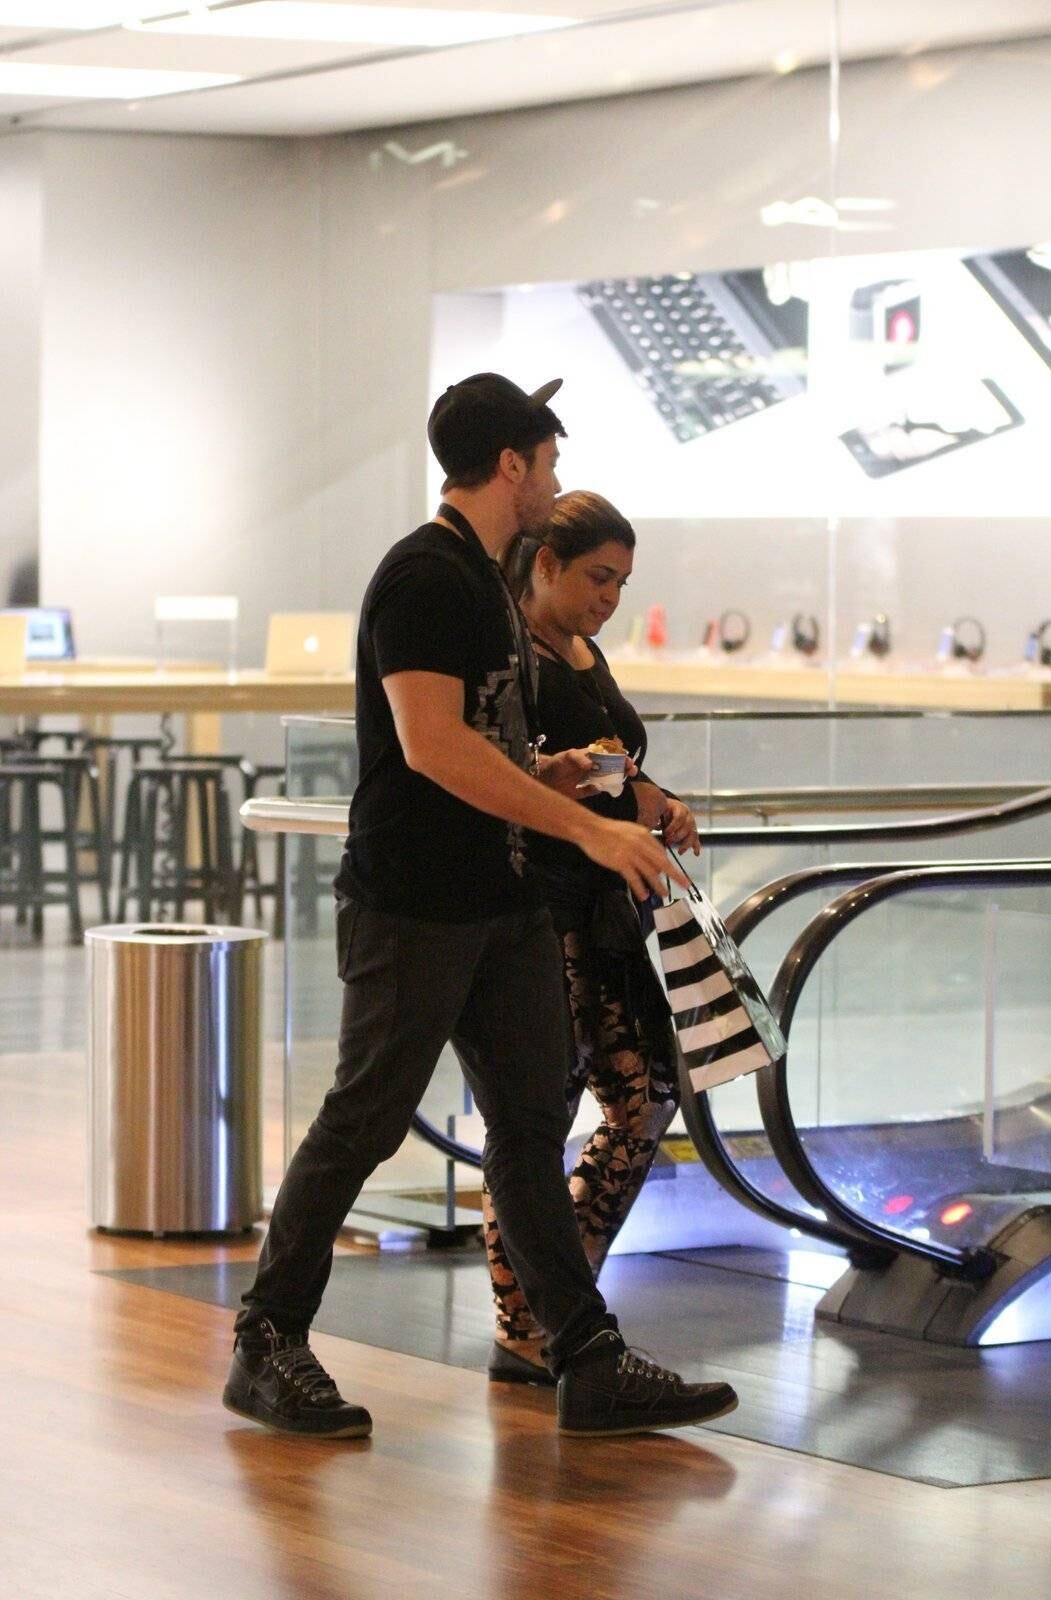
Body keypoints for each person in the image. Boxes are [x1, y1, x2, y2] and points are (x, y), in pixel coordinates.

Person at [223, 373, 739, 1440]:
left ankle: (580, 1353)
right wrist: (588, 828)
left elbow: (483, 745)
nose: (553, 480)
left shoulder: (484, 580)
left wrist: (551, 783)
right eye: (546, 461)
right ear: (511, 463)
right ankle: (266, 1338)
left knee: (524, 1125)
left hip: (495, 898)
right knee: (363, 1118)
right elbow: (430, 745)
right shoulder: (424, 574)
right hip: (416, 902)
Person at [485, 490, 699, 1386]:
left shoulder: (578, 648)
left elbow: (605, 758)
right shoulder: (510, 651)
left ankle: (552, 1305)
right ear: (544, 565)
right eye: (596, 578)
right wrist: (600, 790)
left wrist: (647, 798)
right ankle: (531, 1320)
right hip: (543, 909)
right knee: (543, 1120)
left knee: (645, 1096)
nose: (608, 597)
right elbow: (502, 767)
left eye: (620, 582)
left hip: (601, 907)